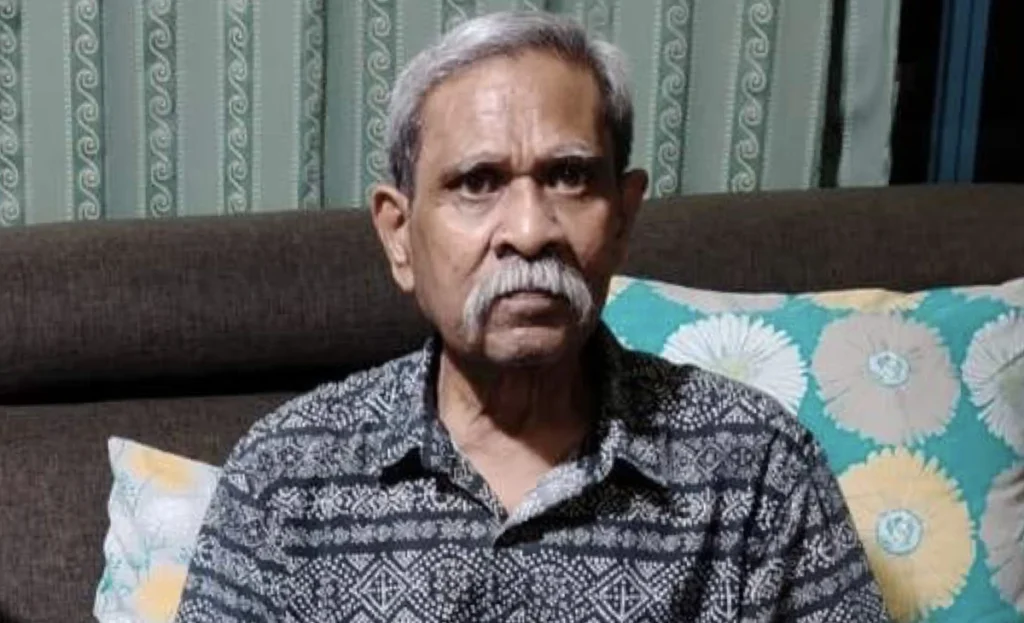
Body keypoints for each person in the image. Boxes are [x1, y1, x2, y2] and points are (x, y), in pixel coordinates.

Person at [175, 11, 887, 622]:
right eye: (477, 182)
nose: (529, 229)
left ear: (623, 216)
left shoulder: (758, 468)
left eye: (570, 177)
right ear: (399, 235)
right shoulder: (284, 476)